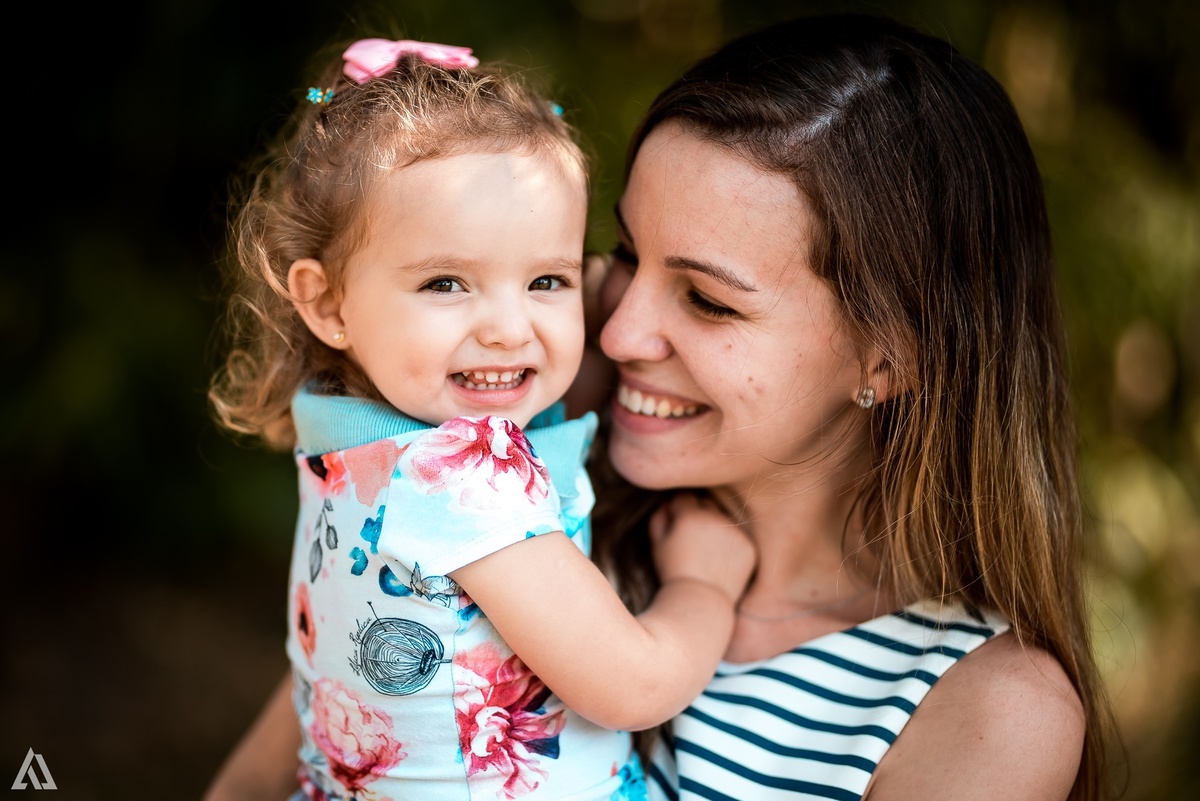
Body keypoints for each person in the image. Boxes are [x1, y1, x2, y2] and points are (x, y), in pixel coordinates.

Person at [204, 35, 755, 801]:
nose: (508, 327)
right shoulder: (460, 480)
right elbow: (634, 684)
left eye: (545, 279)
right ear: (328, 301)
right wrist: (705, 583)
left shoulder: (347, 429)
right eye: (445, 283)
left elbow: (568, 366)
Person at [587, 11, 1114, 801]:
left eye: (706, 300)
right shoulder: (524, 489)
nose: (621, 331)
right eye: (629, 253)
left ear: (892, 355)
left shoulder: (982, 709)